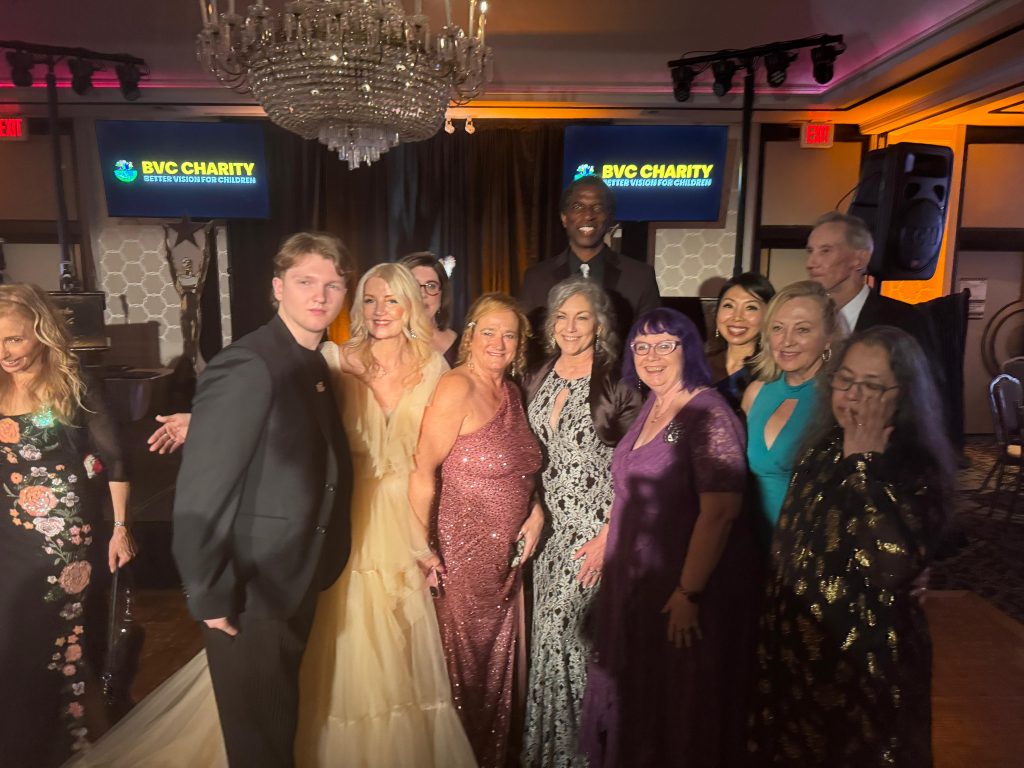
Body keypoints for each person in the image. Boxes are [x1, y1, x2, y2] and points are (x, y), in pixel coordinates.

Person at [75, 263, 476, 768]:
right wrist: (202, 419)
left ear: (412, 306)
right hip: (334, 511)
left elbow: (449, 444)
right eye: (370, 300)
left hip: (397, 520)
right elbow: (273, 409)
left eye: (391, 300)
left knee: (389, 647)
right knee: (329, 636)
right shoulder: (333, 358)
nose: (379, 311)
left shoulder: (435, 367)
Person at [172, 232, 354, 768]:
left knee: (276, 733)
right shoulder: (249, 363)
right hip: (246, 591)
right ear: (278, 288)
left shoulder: (310, 362)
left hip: (290, 577)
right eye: (305, 282)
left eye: (333, 285)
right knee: (259, 746)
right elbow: (201, 495)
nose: (320, 296)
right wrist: (211, 598)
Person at [747, 326, 956, 767]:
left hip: (864, 665)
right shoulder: (821, 447)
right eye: (845, 380)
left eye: (873, 386)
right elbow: (794, 541)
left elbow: (891, 565)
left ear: (904, 394)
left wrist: (863, 464)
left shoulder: (915, 464)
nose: (854, 396)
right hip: (799, 651)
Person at [579, 308, 759, 768]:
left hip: (676, 583)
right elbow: (630, 485)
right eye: (641, 346)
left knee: (672, 701)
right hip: (633, 579)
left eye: (665, 345)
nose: (651, 356)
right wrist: (607, 535)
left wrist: (688, 592)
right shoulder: (654, 405)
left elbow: (720, 513)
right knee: (637, 696)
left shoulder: (708, 413)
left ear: (689, 350)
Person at [0, 284, 134, 768]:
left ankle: (71, 747)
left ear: (41, 332)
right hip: (7, 534)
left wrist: (121, 528)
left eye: (14, 339)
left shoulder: (75, 382)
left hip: (63, 539)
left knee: (56, 643)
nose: (5, 353)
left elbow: (116, 459)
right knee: (12, 639)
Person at [409, 293, 543, 768]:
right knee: (462, 671)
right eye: (488, 331)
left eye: (509, 334)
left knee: (493, 670)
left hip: (505, 562)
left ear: (520, 344)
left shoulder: (512, 391)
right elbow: (421, 472)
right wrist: (421, 549)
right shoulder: (456, 387)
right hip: (460, 558)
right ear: (469, 336)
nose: (498, 342)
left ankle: (490, 757)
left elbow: (522, 468)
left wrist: (536, 511)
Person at [519, 277, 642, 768]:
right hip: (547, 533)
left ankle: (582, 755)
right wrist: (532, 507)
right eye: (562, 317)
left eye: (582, 317)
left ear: (600, 325)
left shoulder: (618, 380)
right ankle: (548, 753)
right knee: (547, 642)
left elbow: (637, 464)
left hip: (595, 531)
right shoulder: (537, 373)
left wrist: (611, 535)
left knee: (569, 637)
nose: (570, 327)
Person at [519, 176, 660, 361]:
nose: (588, 215)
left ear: (609, 218)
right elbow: (528, 344)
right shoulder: (536, 278)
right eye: (578, 207)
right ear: (564, 218)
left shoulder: (640, 277)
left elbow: (652, 344)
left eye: (598, 207)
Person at [742, 281, 843, 535]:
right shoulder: (756, 392)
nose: (786, 341)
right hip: (754, 544)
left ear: (829, 338)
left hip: (809, 546)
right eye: (778, 328)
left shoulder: (840, 399)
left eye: (802, 330)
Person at [805, 212, 932, 349]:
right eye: (810, 251)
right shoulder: (805, 316)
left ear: (860, 259)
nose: (810, 263)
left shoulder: (903, 320)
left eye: (825, 251)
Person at [705, 272, 775, 411]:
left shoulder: (772, 371)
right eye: (728, 306)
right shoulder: (700, 364)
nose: (737, 317)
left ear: (768, 316)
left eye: (751, 307)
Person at [398, 252, 461, 366]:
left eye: (431, 286)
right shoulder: (388, 343)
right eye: (414, 285)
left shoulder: (462, 344)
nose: (422, 294)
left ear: (442, 294)